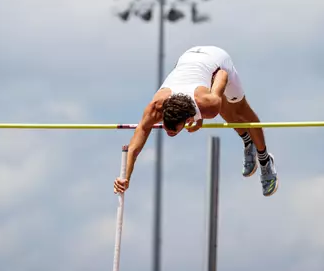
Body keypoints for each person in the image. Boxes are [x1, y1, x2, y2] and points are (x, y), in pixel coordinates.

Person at [113, 46, 278, 197]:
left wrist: (201, 117)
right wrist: (124, 177)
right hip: (189, 57)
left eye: (174, 130)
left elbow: (222, 75)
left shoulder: (209, 104)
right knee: (219, 109)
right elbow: (134, 147)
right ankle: (247, 142)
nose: (169, 132)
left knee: (239, 111)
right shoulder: (154, 108)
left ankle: (264, 160)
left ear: (188, 119)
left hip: (217, 61)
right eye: (167, 128)